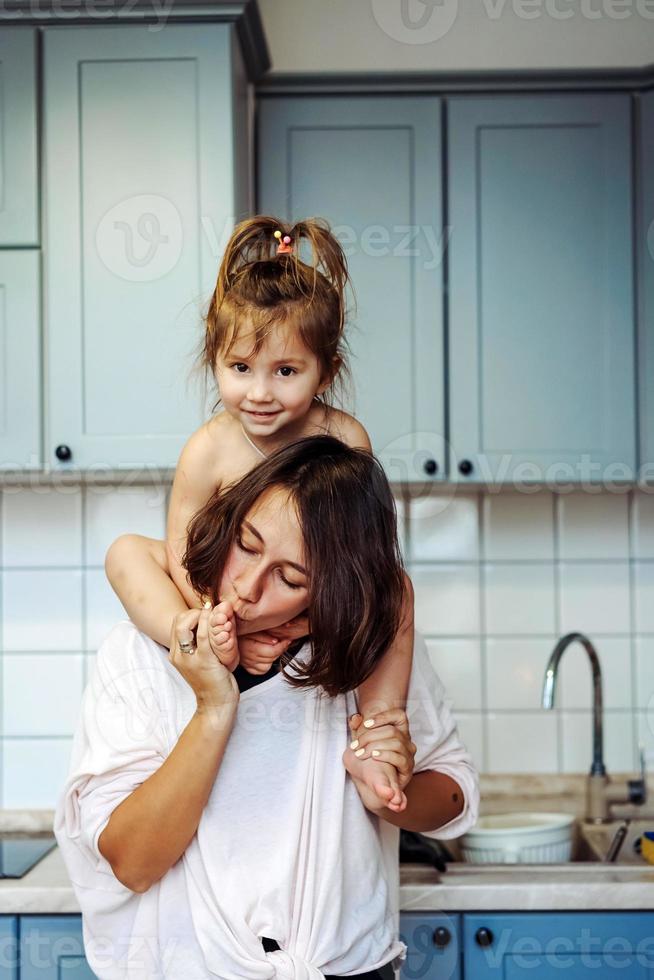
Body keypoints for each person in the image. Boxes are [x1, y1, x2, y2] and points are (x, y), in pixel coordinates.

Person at [54, 436, 479, 980]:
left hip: (349, 968)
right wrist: (213, 706)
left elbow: (453, 791)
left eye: (291, 577)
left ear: (331, 591)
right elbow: (133, 863)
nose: (247, 587)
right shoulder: (141, 651)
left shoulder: (368, 653)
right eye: (247, 545)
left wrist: (389, 792)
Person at [105, 215, 415, 814]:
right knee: (126, 552)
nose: (260, 393)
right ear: (213, 359)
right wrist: (221, 624)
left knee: (396, 590)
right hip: (221, 598)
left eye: (286, 372)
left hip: (306, 603)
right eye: (240, 369)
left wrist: (294, 628)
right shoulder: (209, 448)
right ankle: (188, 639)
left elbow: (353, 558)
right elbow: (181, 552)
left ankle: (379, 731)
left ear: (327, 370)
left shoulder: (345, 438)